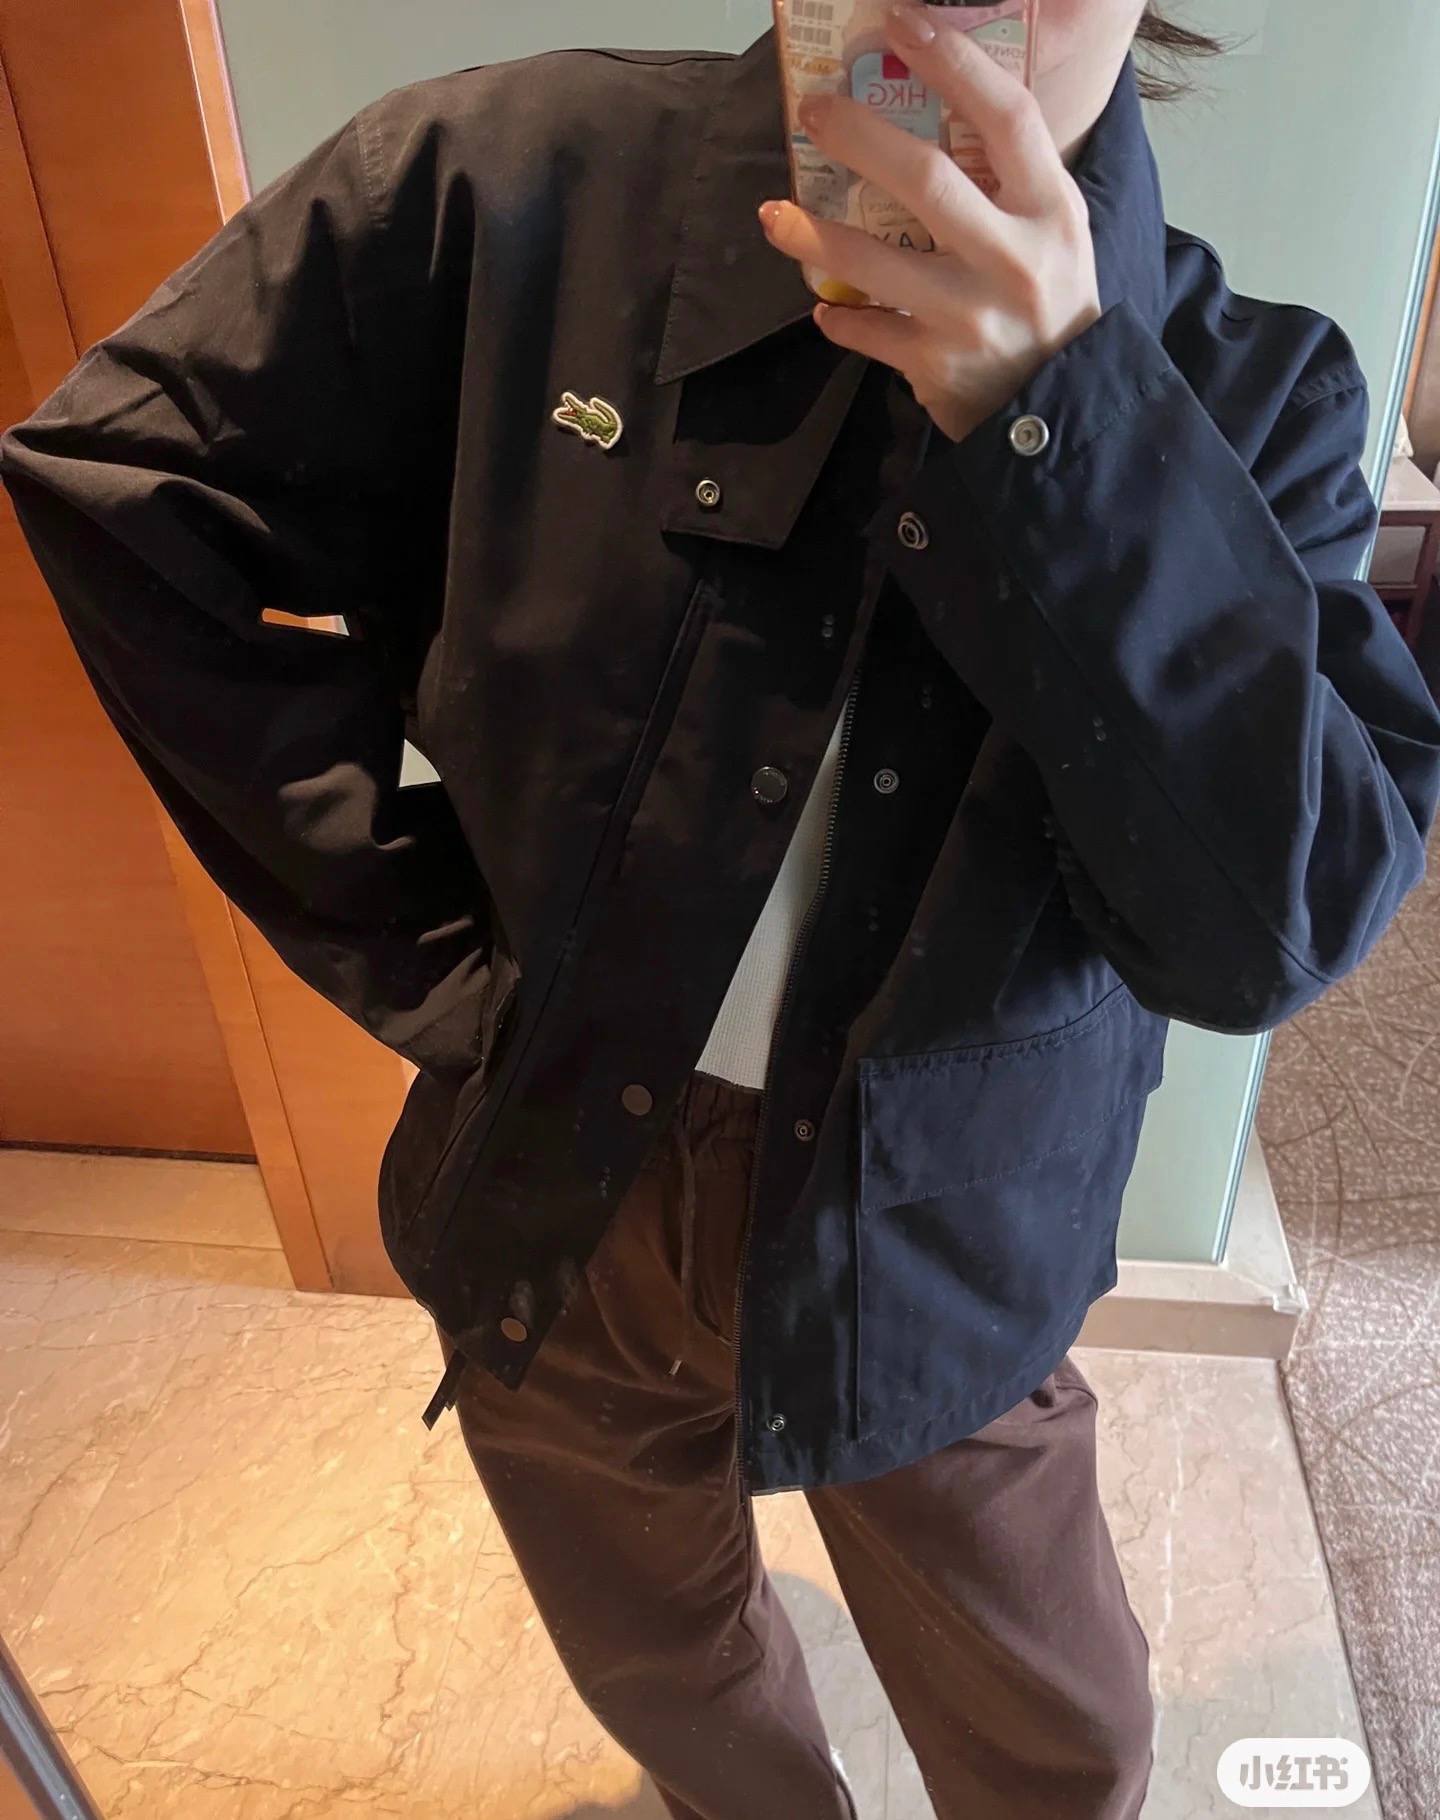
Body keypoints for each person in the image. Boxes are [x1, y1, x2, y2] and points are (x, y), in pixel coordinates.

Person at [3, 4, 1438, 1815]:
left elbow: (1272, 930)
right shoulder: (503, 184)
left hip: (951, 1228)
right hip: (551, 1181)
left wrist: (1065, 421)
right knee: (658, 1660)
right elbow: (128, 483)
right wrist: (416, 940)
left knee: (1059, 1736)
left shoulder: (1259, 397)